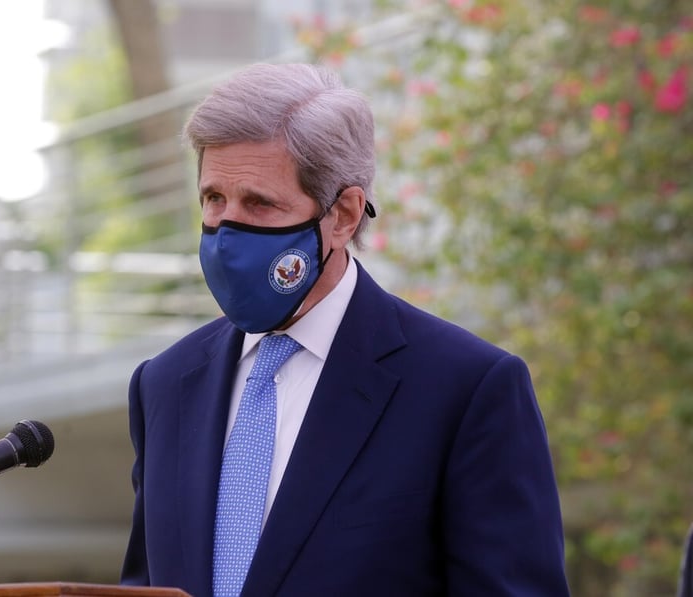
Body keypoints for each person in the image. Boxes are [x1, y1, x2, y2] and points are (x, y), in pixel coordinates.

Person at [120, 62, 570, 596]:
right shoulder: (164, 385)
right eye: (214, 198)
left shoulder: (466, 389)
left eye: (259, 203)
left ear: (345, 215)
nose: (226, 229)